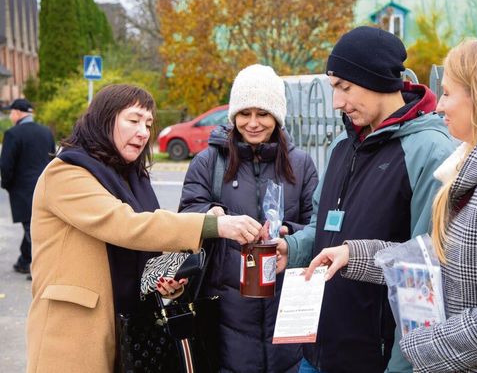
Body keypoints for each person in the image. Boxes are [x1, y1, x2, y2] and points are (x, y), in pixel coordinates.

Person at [306, 36, 477, 372]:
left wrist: (421, 346)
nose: (439, 105)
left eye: (446, 93)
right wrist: (354, 255)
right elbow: (443, 253)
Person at [26, 84, 262, 372]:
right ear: (104, 119)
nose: (143, 132)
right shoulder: (66, 173)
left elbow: (145, 254)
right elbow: (126, 225)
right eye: (134, 120)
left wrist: (168, 284)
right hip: (73, 335)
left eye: (149, 124)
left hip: (126, 331)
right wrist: (212, 225)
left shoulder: (130, 177)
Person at [276, 26, 456, 373]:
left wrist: (403, 366)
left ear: (377, 80)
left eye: (345, 87)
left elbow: (426, 269)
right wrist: (295, 248)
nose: (337, 102)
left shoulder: (430, 151)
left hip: (378, 359)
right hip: (318, 352)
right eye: (333, 89)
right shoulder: (342, 146)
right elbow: (325, 226)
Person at [179, 64, 319, 373]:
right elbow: (186, 217)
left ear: (277, 116)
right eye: (245, 114)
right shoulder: (208, 162)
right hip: (226, 313)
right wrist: (218, 221)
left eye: (263, 114)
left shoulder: (301, 164)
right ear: (233, 116)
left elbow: (316, 225)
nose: (253, 123)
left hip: (285, 307)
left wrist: (288, 234)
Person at [0, 98, 55, 276]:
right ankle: (23, 261)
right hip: (45, 186)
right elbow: (52, 159)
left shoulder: (12, 134)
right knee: (32, 224)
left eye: (11, 112)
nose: (10, 115)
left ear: (17, 113)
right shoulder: (46, 132)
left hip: (23, 189)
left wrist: (7, 184)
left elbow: (6, 165)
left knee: (32, 230)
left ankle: (38, 270)